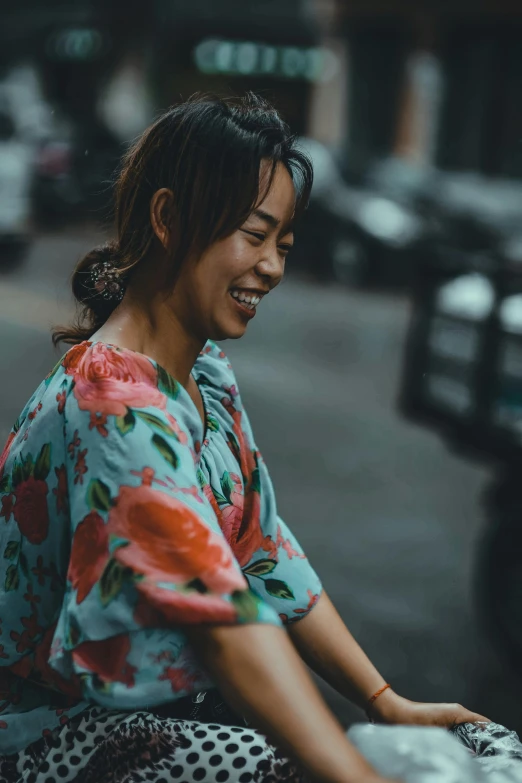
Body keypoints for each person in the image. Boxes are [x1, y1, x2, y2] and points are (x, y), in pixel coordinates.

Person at [0, 94, 489, 783]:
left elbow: (263, 547)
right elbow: (220, 621)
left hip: (161, 710)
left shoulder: (204, 375)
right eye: (253, 234)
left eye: (283, 244)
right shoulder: (112, 402)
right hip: (53, 738)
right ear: (168, 218)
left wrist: (386, 701)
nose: (272, 267)